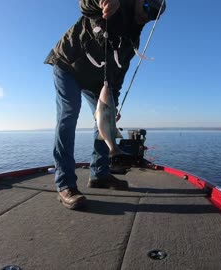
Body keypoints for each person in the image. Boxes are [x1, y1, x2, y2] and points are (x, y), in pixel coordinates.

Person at [44, 0, 166, 210]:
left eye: (154, 14)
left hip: (98, 83)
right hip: (69, 64)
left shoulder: (133, 37)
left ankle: (100, 175)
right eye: (147, 7)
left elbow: (118, 76)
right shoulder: (115, 4)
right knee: (69, 115)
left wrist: (113, 106)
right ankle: (65, 185)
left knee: (104, 124)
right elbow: (86, 5)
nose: (148, 15)